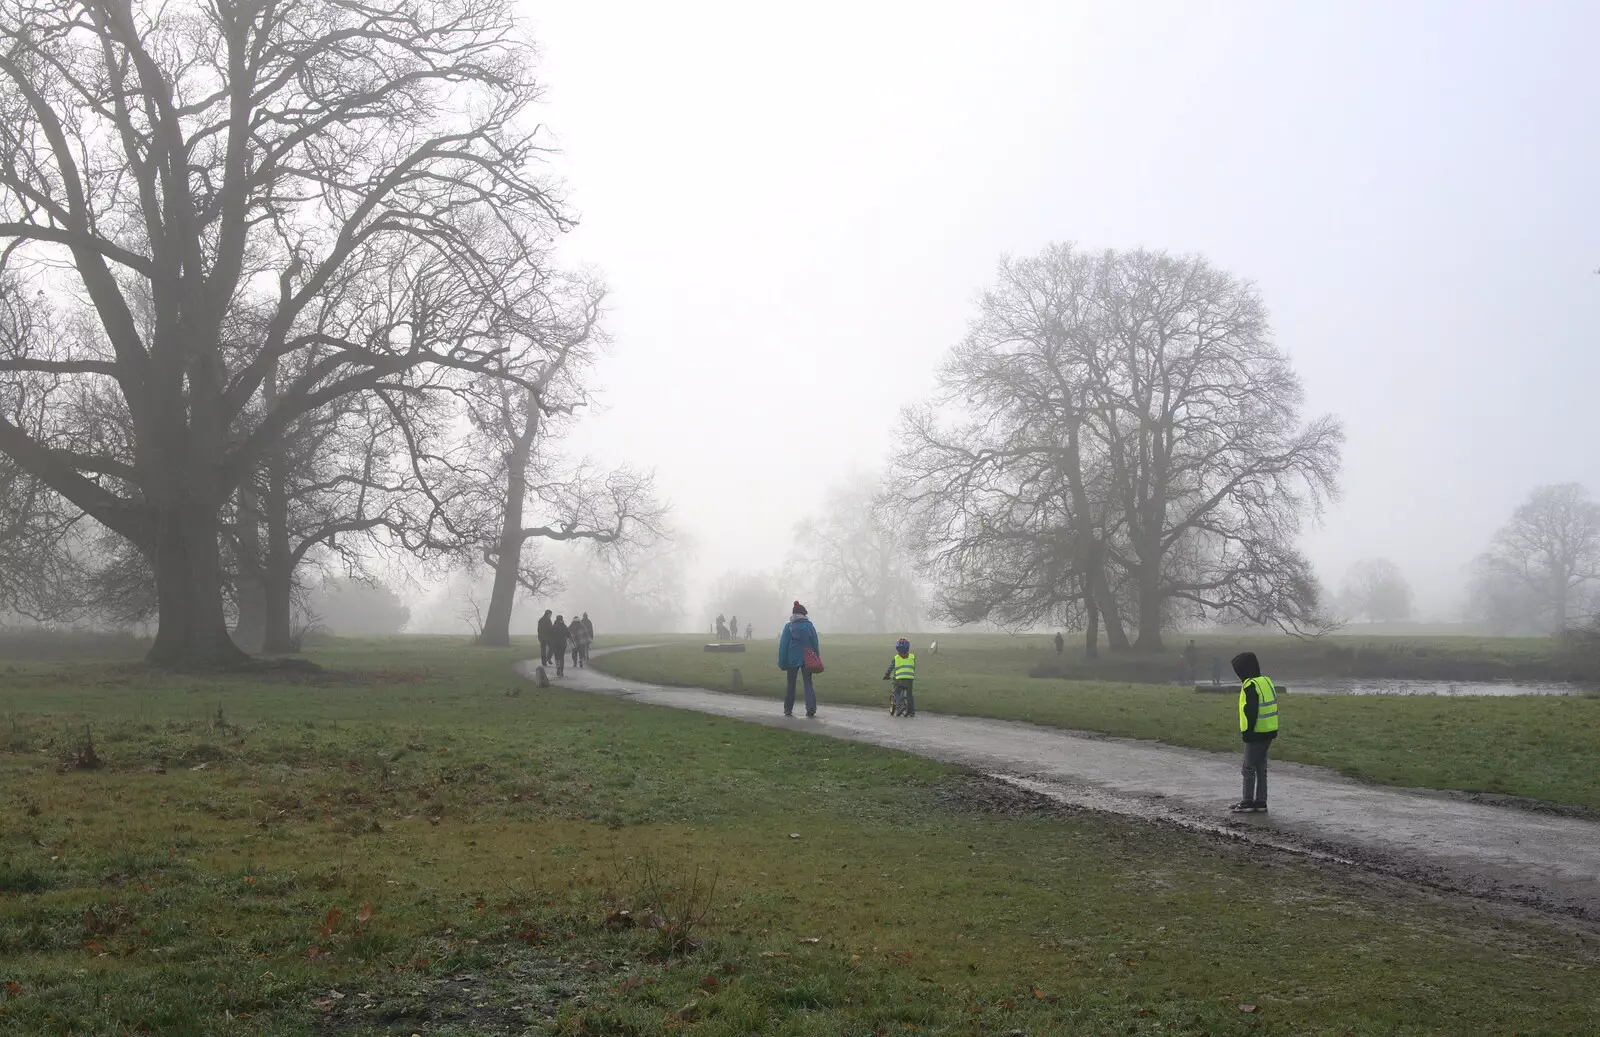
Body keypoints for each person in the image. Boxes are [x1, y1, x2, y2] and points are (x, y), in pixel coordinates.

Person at [1230, 651, 1280, 814]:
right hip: (1269, 730)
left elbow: (1250, 710)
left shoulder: (1250, 685)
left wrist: (1248, 733)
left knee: (1248, 767)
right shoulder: (1266, 681)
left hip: (1255, 733)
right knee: (1261, 767)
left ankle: (1247, 802)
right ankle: (1260, 801)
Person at [778, 601, 820, 718]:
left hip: (792, 659)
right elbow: (815, 643)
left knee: (791, 684)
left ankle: (788, 709)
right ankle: (811, 708)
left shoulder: (789, 627)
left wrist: (782, 662)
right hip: (808, 658)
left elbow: (783, 646)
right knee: (808, 683)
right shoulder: (809, 626)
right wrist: (816, 656)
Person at [882, 637, 916, 717]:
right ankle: (911, 711)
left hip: (899, 679)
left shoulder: (896, 658)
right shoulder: (912, 657)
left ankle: (900, 706)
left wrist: (886, 676)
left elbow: (890, 668)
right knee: (909, 695)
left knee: (897, 692)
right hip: (909, 679)